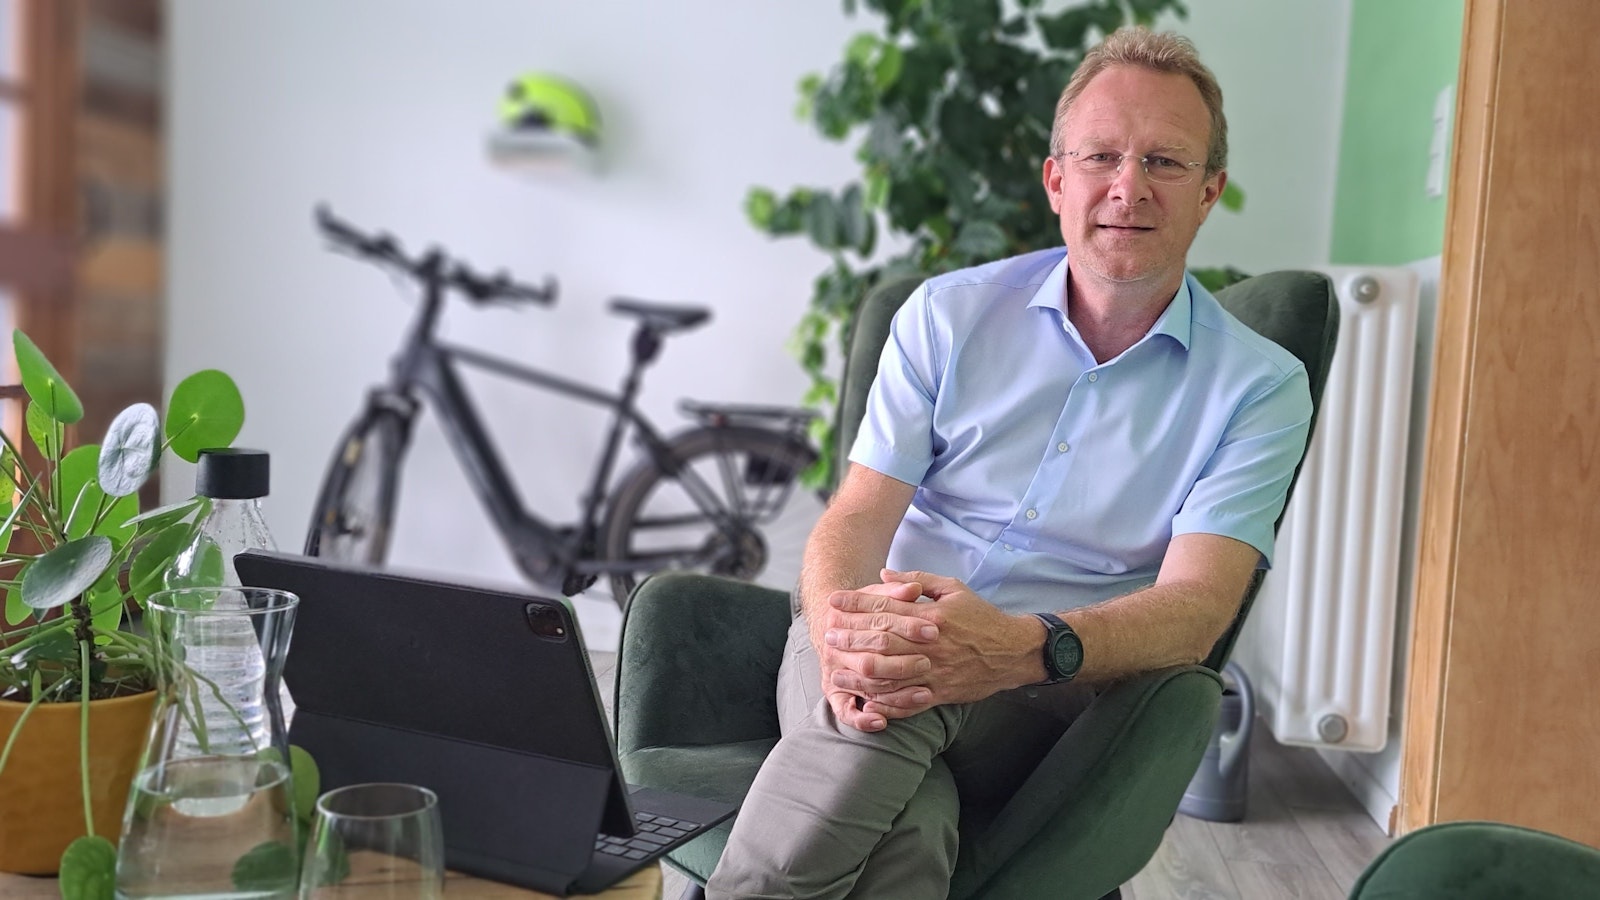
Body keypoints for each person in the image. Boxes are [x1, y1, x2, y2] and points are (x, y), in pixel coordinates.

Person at [706, 26, 1313, 900]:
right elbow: (855, 518)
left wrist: (1015, 647)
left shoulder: (1260, 386)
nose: (1127, 187)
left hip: (1052, 691)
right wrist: (842, 625)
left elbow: (1195, 611)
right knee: (909, 829)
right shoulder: (946, 316)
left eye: (1166, 162)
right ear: (1056, 179)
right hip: (875, 637)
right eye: (1100, 155)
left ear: (1210, 191)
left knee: (918, 667)